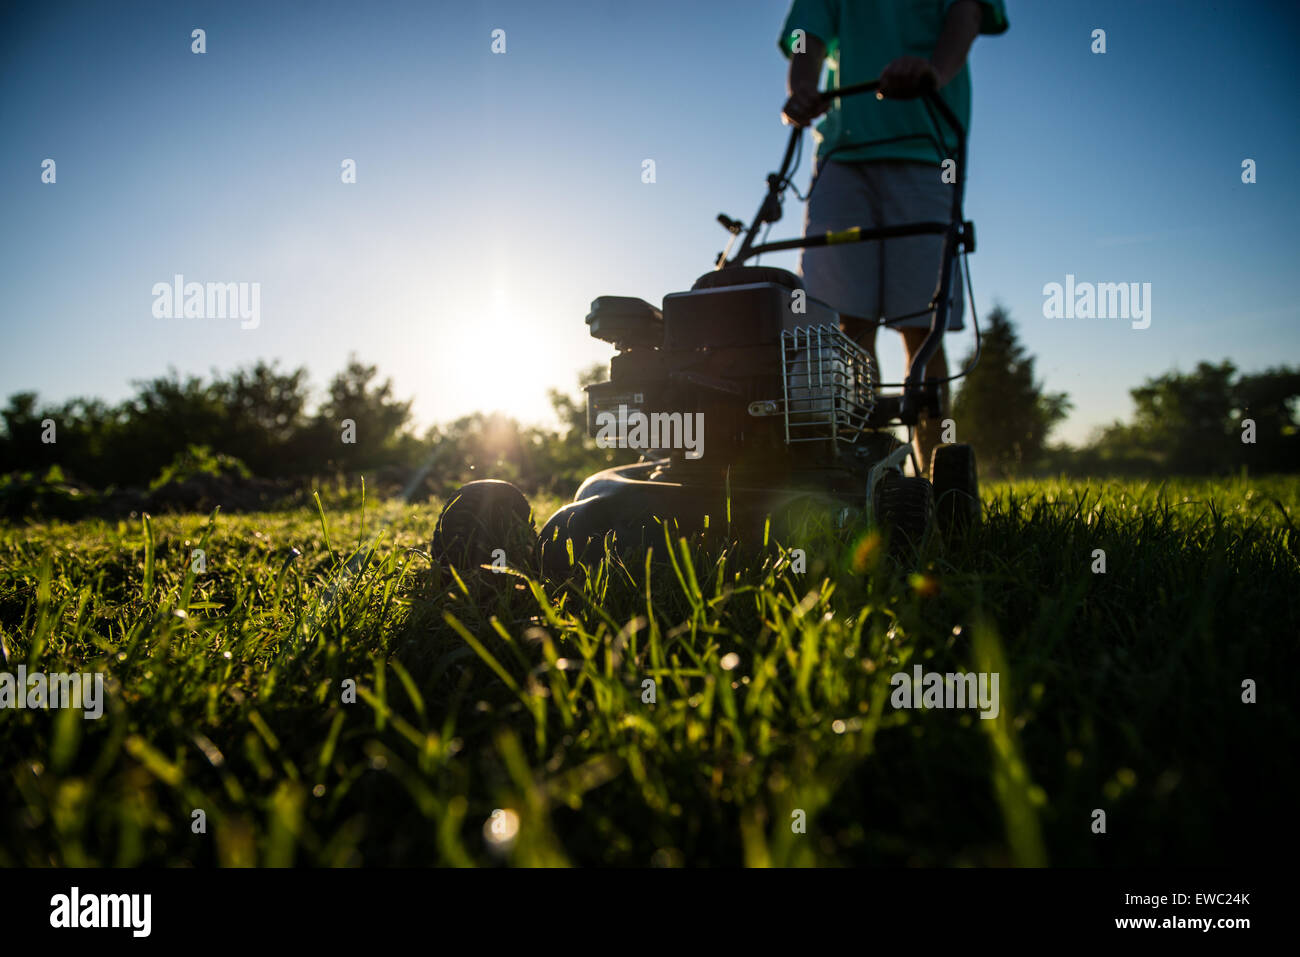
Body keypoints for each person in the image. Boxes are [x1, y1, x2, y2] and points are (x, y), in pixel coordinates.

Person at [778, 0, 1008, 477]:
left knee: (921, 327)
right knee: (846, 328)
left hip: (925, 149)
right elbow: (806, 35)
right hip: (843, 156)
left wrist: (932, 72)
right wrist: (803, 87)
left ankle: (935, 472)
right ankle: (865, 475)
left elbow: (965, 17)